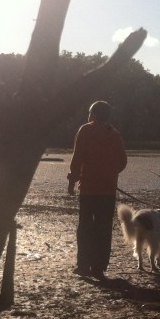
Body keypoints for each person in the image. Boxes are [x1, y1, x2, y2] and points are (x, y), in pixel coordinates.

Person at [67, 100, 127, 278]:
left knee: (85, 227)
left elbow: (77, 158)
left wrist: (72, 181)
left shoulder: (85, 130)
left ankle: (83, 265)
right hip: (108, 190)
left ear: (92, 114)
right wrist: (110, 173)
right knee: (104, 228)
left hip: (88, 189)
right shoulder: (114, 134)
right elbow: (123, 161)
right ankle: (99, 267)